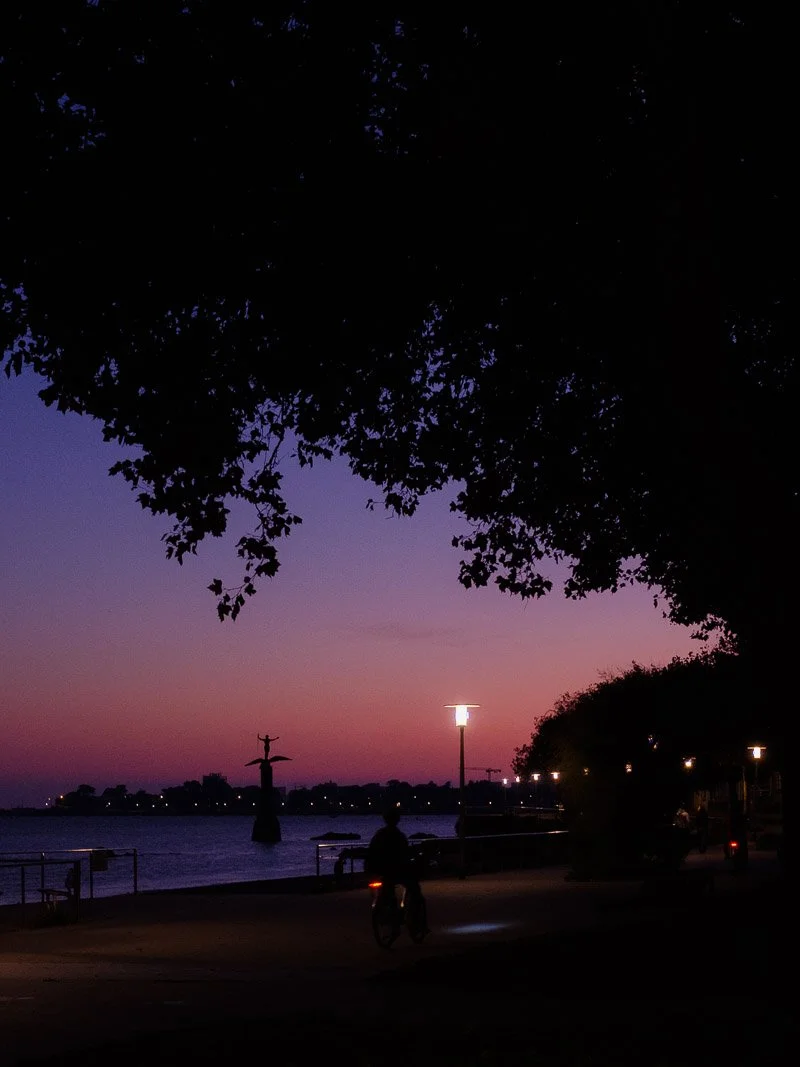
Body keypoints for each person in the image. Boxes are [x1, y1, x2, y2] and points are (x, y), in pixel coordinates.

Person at [367, 807, 426, 921]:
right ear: (397, 820)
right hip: (397, 870)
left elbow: (371, 851)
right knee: (413, 887)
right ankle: (412, 915)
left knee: (387, 888)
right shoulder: (399, 836)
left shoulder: (379, 835)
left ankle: (389, 911)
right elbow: (406, 853)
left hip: (380, 870)